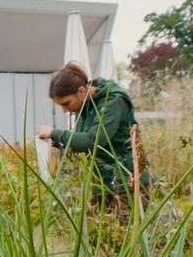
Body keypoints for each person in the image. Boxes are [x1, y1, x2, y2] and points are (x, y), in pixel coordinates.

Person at [37, 61, 149, 201]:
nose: (65, 110)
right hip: (102, 184)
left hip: (127, 184)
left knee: (124, 222)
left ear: (81, 91)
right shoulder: (83, 105)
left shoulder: (113, 101)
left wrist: (54, 133)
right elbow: (80, 142)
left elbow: (93, 141)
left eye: (66, 103)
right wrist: (57, 142)